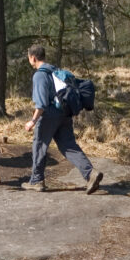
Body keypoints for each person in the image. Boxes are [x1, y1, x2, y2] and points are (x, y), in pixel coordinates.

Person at [22, 45, 102, 194]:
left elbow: (41, 104)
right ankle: (90, 173)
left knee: (39, 145)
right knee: (69, 146)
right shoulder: (55, 71)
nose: (29, 60)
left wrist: (32, 121)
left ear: (33, 57)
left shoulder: (39, 75)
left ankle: (36, 180)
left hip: (49, 115)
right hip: (65, 114)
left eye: (29, 58)